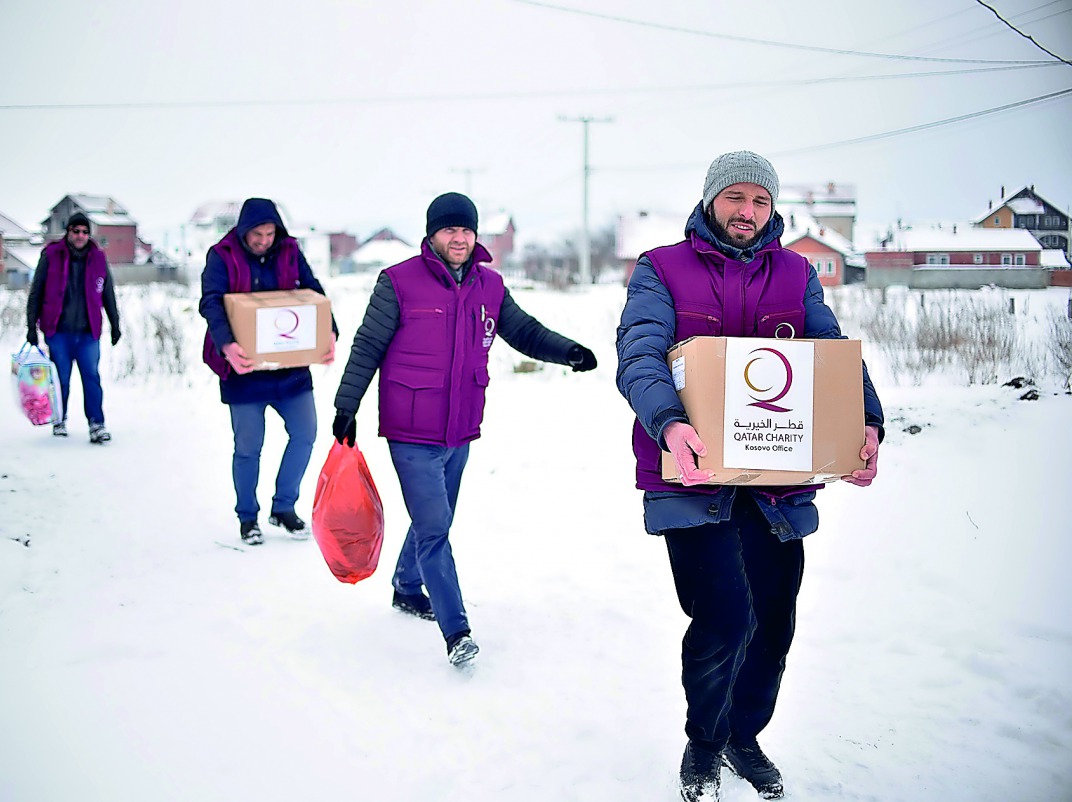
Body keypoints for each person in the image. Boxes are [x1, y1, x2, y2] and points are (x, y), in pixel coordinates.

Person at [615, 152, 884, 801]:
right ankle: (705, 743)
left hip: (777, 483)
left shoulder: (796, 272)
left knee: (773, 622)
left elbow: (829, 352)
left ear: (772, 209)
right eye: (736, 198)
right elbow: (640, 352)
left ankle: (744, 734)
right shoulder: (662, 268)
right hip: (692, 476)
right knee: (722, 619)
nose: (747, 211)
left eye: (760, 202)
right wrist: (669, 422)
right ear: (712, 201)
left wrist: (867, 422)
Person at [332, 192, 598, 667]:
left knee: (435, 516)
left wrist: (570, 351)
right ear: (432, 234)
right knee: (435, 527)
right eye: (449, 229)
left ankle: (408, 586)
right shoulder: (397, 282)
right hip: (410, 428)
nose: (458, 237)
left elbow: (525, 332)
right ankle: (457, 632)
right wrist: (346, 406)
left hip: (460, 427)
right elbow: (367, 344)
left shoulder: (489, 286)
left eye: (466, 229)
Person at [200, 198, 337, 546]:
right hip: (243, 369)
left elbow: (312, 291)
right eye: (257, 234)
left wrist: (329, 330)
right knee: (248, 446)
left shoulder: (289, 251)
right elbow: (212, 302)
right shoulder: (222, 255)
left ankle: (284, 507)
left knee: (305, 433)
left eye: (269, 232)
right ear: (244, 231)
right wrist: (227, 345)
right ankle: (248, 517)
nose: (263, 240)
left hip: (290, 366)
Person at [27, 212, 121, 443]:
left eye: (84, 232)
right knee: (61, 379)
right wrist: (31, 326)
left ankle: (96, 424)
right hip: (58, 331)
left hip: (88, 332)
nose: (80, 236)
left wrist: (115, 323)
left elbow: (107, 293)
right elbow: (36, 291)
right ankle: (59, 419)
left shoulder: (98, 257)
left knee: (91, 377)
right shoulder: (52, 255)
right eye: (76, 231)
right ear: (68, 232)